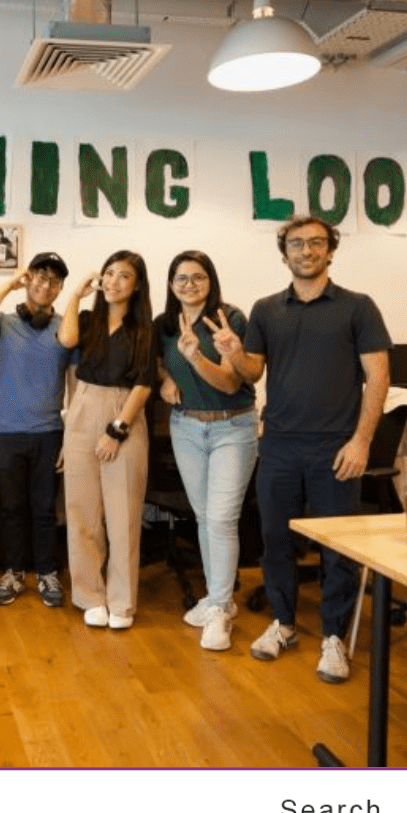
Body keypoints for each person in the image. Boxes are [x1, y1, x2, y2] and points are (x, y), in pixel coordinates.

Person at [210, 216, 391, 682]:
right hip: (279, 446)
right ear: (284, 253)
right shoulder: (267, 309)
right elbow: (252, 372)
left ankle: (333, 637)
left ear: (330, 250)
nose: (306, 251)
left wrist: (362, 441)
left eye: (315, 243)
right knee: (275, 541)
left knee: (336, 548)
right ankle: (284, 624)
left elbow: (379, 377)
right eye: (296, 243)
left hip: (336, 448)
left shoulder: (358, 307)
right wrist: (233, 351)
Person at [155, 250, 258, 652]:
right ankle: (219, 601)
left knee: (221, 519)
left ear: (211, 281)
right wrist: (166, 378)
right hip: (186, 427)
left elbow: (231, 384)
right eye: (181, 278)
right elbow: (157, 361)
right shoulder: (164, 324)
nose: (190, 285)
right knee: (203, 517)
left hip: (232, 426)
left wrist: (195, 356)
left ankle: (219, 608)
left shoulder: (229, 320)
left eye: (198, 277)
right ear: (171, 284)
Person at [56, 250, 157, 628]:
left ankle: (122, 602)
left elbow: (144, 384)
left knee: (123, 515)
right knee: (81, 511)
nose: (114, 281)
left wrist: (117, 430)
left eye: (124, 275)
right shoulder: (88, 319)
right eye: (109, 273)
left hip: (124, 411)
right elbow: (67, 339)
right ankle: (89, 595)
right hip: (83, 405)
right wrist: (76, 294)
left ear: (137, 284)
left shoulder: (144, 329)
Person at [0, 252, 71, 608]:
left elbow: (75, 383)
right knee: (11, 507)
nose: (46, 285)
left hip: (49, 433)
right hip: (7, 433)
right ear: (29, 279)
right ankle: (12, 572)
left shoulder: (66, 327)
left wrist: (70, 436)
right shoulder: (5, 323)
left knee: (44, 508)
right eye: (40, 276)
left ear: (60, 288)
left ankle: (46, 571)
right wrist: (10, 284)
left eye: (54, 281)